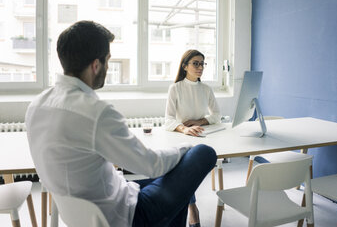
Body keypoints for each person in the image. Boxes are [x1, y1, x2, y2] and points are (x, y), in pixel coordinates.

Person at [25, 21, 217, 227]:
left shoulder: (37, 105)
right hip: (124, 216)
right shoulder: (95, 111)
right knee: (203, 153)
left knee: (179, 188)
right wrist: (186, 150)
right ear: (96, 65)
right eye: (108, 61)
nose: (108, 67)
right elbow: (152, 165)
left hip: (85, 213)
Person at [164, 49, 221, 226]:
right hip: (182, 139)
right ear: (185, 66)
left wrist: (199, 121)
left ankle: (190, 206)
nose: (200, 67)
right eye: (195, 63)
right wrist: (183, 129)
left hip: (203, 137)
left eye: (202, 63)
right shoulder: (175, 88)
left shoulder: (206, 89)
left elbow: (217, 115)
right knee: (186, 170)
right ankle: (192, 207)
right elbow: (168, 120)